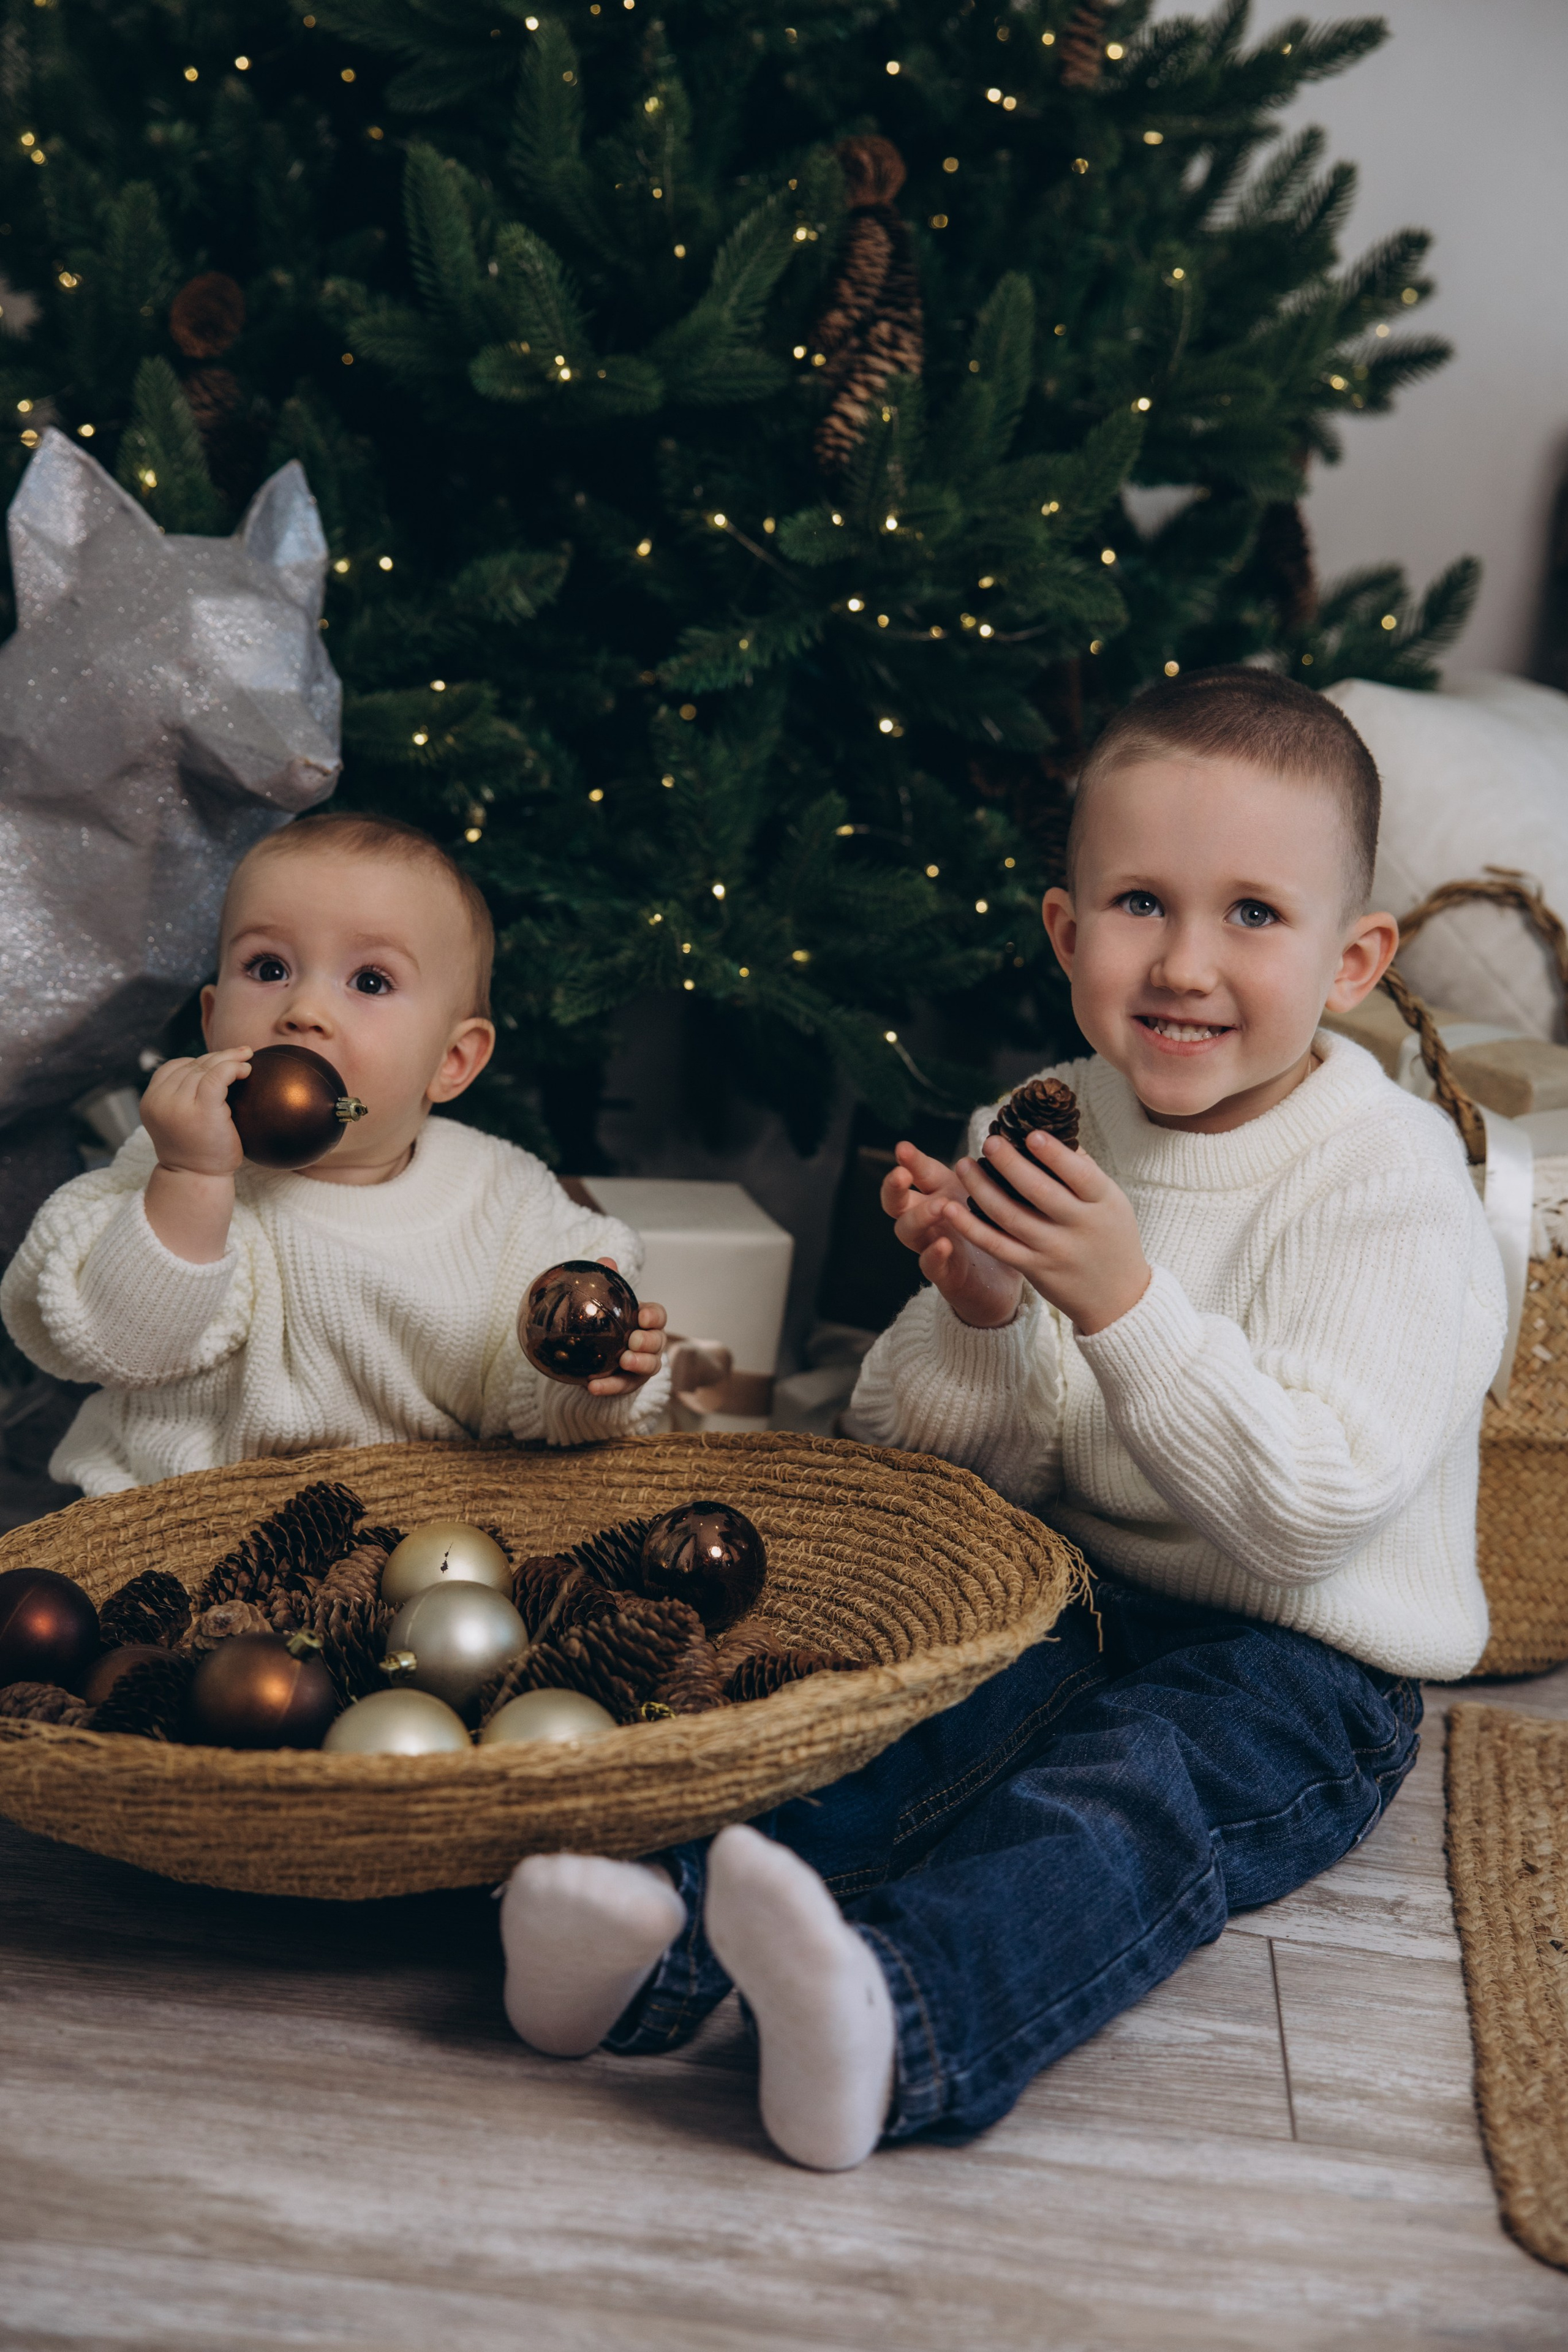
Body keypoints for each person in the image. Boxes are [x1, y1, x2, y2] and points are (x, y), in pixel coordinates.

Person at [495, 668, 1505, 2172]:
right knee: (892, 1716)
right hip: (1058, 1581)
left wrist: (1117, 1301)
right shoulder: (1040, 1122)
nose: (1182, 962)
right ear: (1063, 928)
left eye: (1250, 914)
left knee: (1119, 1796)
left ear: (1352, 958)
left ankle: (905, 2012)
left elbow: (1310, 1505)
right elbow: (935, 1470)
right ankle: (655, 1930)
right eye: (1139, 903)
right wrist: (979, 1314)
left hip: (1301, 1652)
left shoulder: (1386, 1174)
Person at [0, 812, 669, 1491]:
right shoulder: (164, 1166)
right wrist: (190, 1178)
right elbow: (103, 1346)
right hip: (176, 1533)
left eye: (370, 982)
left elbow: (528, 1409)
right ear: (209, 1022)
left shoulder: (507, 1200)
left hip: (408, 1548)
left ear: (452, 1060)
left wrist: (592, 1384)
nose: (303, 1009)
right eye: (268, 968)